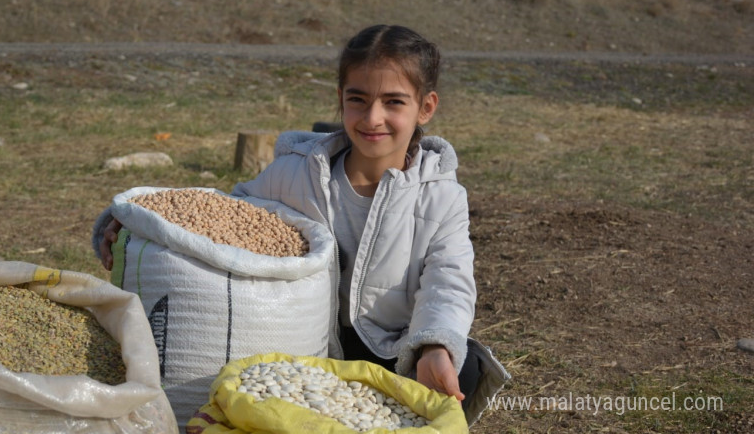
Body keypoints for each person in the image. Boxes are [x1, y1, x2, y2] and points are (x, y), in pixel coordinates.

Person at [98, 24, 508, 424]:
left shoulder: (442, 197)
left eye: (394, 102)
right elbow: (225, 216)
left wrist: (434, 344)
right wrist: (136, 223)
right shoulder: (297, 174)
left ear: (426, 107)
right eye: (358, 99)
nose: (373, 117)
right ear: (340, 98)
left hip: (390, 347)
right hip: (297, 342)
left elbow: (448, 281)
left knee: (464, 365)